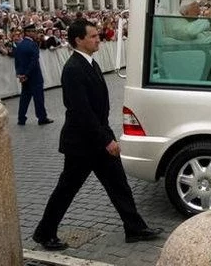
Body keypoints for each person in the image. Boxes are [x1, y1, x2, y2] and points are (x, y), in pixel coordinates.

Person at [32, 19, 162, 251]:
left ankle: (134, 228)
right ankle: (45, 232)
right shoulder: (72, 69)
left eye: (97, 35)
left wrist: (106, 136)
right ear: (78, 40)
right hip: (82, 144)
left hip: (97, 138)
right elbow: (81, 112)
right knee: (66, 190)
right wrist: (107, 140)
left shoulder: (90, 63)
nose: (97, 39)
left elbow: (97, 109)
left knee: (119, 184)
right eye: (92, 36)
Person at [14, 23, 53, 126]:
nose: (35, 33)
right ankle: (42, 118)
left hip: (24, 76)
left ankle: (21, 118)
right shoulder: (33, 45)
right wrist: (26, 74)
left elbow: (17, 61)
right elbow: (34, 62)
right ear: (28, 32)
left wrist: (20, 74)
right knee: (38, 98)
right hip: (34, 76)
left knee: (24, 98)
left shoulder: (19, 44)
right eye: (33, 31)